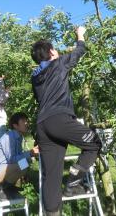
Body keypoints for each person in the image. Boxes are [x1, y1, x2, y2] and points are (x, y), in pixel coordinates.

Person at [31, 26, 101, 215]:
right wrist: (80, 36)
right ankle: (73, 183)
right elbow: (79, 52)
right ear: (52, 51)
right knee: (94, 143)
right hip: (59, 119)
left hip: (42, 125)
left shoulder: (35, 76)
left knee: (51, 176)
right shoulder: (59, 63)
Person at [0, 112, 39, 199]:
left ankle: (7, 187)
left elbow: (18, 156)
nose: (27, 123)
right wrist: (30, 153)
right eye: (23, 121)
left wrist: (30, 154)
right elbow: (12, 160)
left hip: (1, 172)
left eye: (27, 121)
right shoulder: (9, 137)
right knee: (21, 164)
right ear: (15, 125)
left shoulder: (18, 137)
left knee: (25, 163)